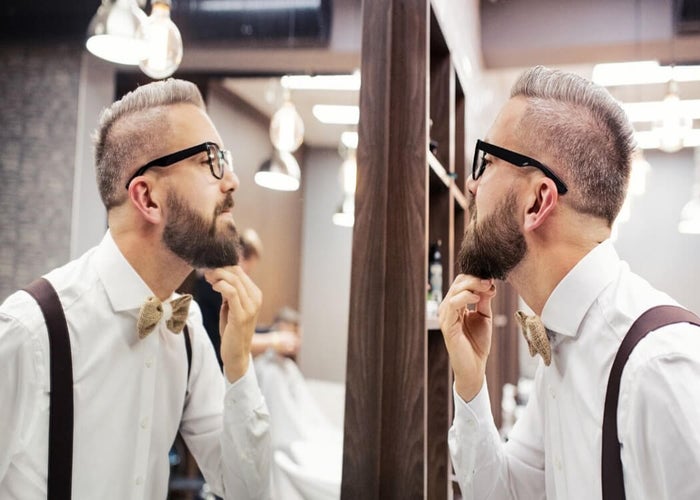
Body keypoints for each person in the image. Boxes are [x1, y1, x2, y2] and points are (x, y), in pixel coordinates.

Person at [0, 79, 270, 499]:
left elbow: (245, 492)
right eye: (210, 161)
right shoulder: (29, 331)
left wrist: (237, 364)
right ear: (147, 197)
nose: (231, 180)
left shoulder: (190, 332)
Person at [439, 66, 700, 499]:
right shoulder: (558, 349)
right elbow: (505, 494)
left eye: (485, 162)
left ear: (537, 200)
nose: (471, 183)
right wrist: (470, 384)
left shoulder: (659, 368)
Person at [194, 228, 301, 364]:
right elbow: (238, 339)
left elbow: (245, 327)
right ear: (239, 257)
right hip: (212, 364)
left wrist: (273, 330)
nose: (247, 277)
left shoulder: (218, 286)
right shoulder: (215, 287)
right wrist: (275, 340)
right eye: (248, 270)